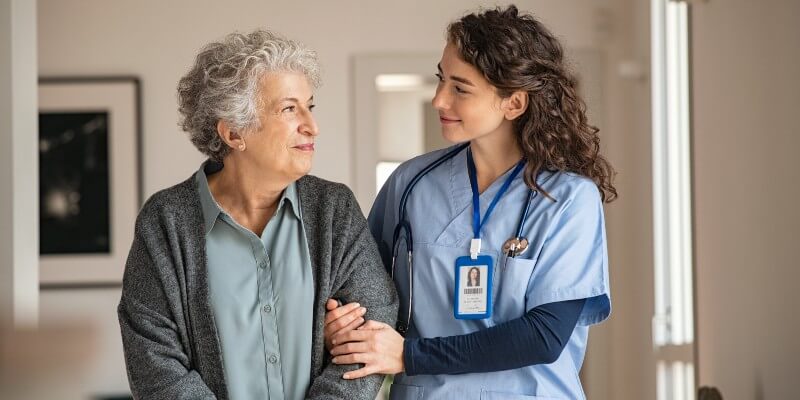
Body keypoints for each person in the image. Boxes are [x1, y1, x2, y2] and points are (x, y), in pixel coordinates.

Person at [322, 5, 616, 399]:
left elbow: (544, 335)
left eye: (460, 89)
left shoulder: (566, 199)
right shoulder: (410, 184)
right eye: (441, 80)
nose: (439, 100)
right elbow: (360, 288)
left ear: (514, 103)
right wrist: (341, 323)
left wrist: (411, 356)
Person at [117, 29, 398, 400]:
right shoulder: (165, 222)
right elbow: (156, 365)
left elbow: (371, 329)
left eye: (309, 107)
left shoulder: (334, 210)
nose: (311, 126)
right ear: (234, 133)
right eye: (288, 109)